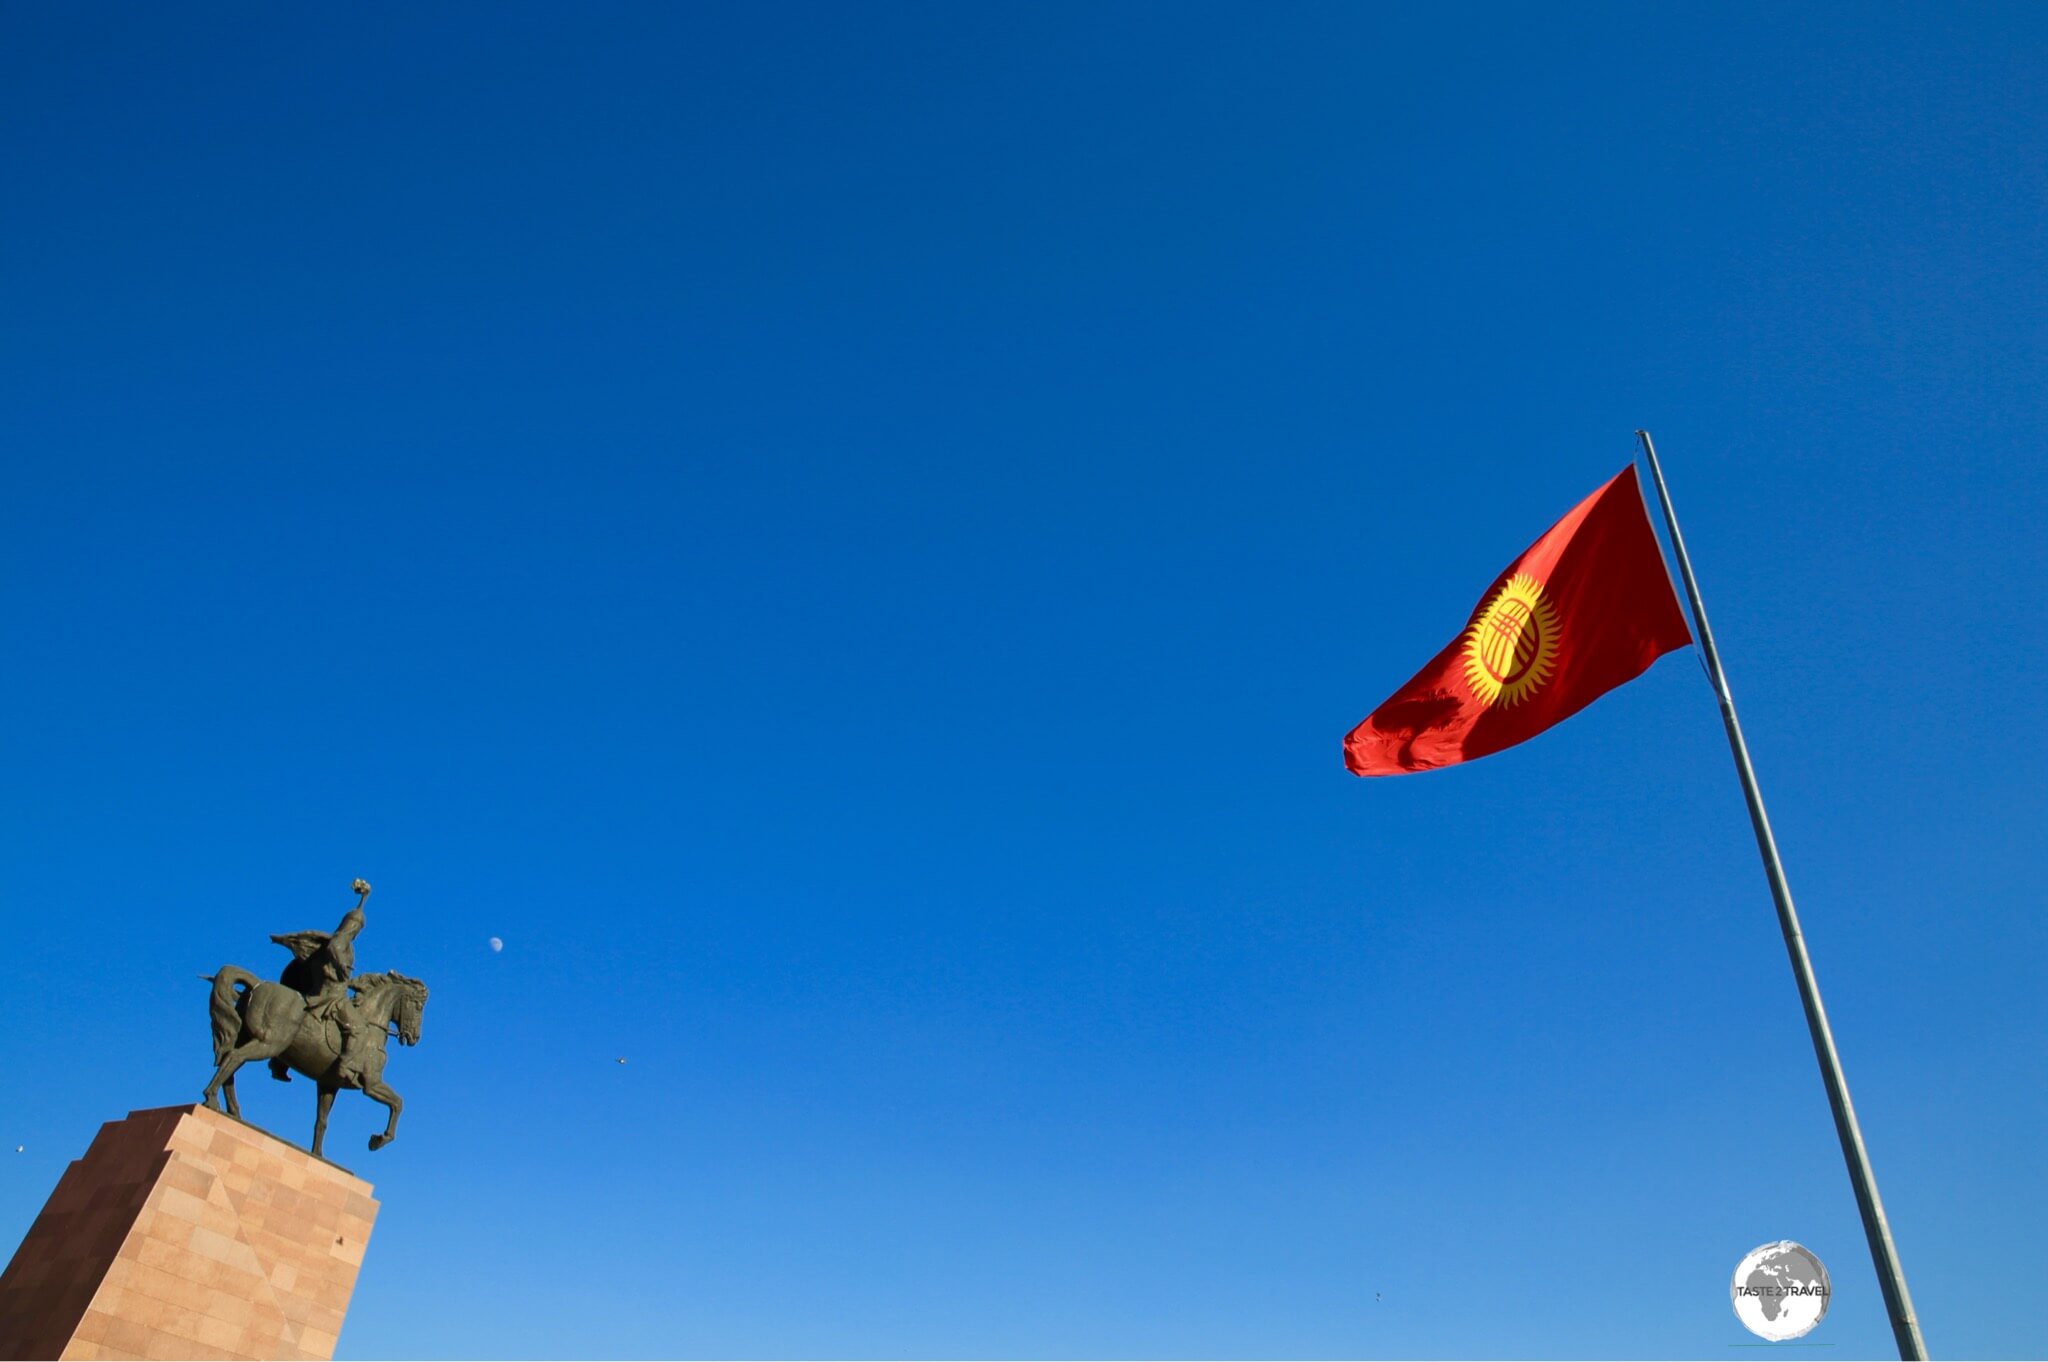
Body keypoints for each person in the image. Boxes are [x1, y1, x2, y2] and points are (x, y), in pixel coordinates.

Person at [269, 888, 371, 1087]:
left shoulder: (328, 943)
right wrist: (342, 967)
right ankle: (344, 1066)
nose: (356, 932)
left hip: (321, 991)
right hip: (331, 998)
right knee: (358, 1028)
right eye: (356, 927)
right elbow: (335, 948)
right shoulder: (340, 942)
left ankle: (278, 1061)